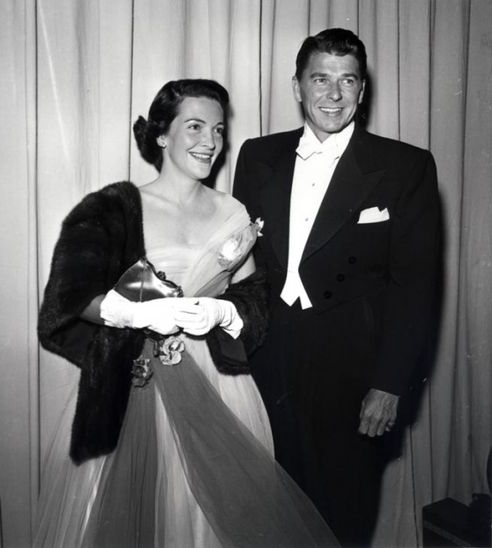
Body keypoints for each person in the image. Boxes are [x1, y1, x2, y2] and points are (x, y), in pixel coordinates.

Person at [35, 79, 338, 547]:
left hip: (221, 390)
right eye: (194, 127)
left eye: (217, 130)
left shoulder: (234, 212)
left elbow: (255, 303)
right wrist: (136, 316)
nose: (210, 142)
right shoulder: (114, 207)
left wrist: (223, 312)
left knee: (212, 520)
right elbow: (68, 299)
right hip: (136, 387)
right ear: (161, 135)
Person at [233, 28, 441, 546]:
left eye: (347, 81)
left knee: (342, 517)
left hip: (354, 371)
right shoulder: (257, 156)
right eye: (320, 79)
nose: (333, 94)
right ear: (298, 87)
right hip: (269, 361)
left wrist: (390, 385)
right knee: (268, 509)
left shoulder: (405, 166)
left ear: (362, 90)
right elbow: (239, 265)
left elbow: (416, 288)